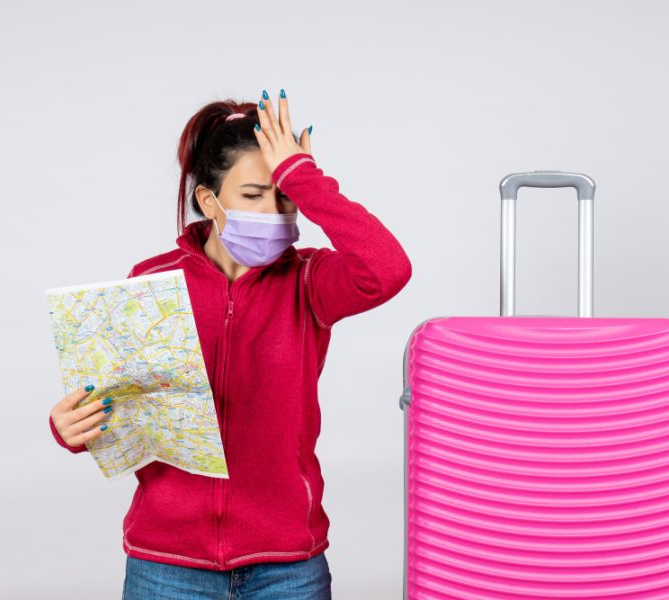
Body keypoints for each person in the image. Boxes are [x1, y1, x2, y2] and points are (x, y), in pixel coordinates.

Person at [49, 89, 413, 599]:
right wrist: (73, 426)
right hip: (168, 564)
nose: (274, 210)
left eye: (284, 196)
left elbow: (388, 268)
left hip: (287, 565)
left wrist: (303, 177)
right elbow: (123, 405)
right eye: (253, 194)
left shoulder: (310, 281)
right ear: (209, 201)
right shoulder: (152, 283)